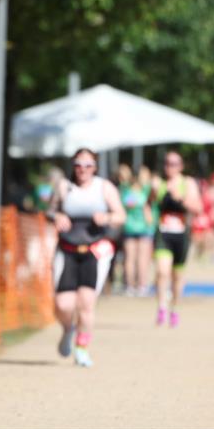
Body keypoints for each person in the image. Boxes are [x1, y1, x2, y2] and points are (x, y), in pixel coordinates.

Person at [45, 148, 126, 367]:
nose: (83, 169)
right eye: (79, 165)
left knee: (86, 303)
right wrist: (58, 216)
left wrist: (107, 217)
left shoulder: (104, 187)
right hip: (67, 249)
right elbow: (50, 211)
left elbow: (121, 215)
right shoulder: (64, 186)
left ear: (95, 167)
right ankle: (67, 329)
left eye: (88, 165)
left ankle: (82, 348)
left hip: (94, 250)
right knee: (63, 304)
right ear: (73, 166)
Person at [152, 151, 203, 327]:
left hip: (181, 234)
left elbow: (198, 207)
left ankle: (174, 308)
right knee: (162, 272)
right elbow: (149, 202)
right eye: (167, 163)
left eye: (174, 163)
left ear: (180, 166)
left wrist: (180, 198)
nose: (170, 167)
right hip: (163, 232)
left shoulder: (187, 183)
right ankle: (161, 307)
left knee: (177, 275)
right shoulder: (158, 183)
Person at [118, 164, 154, 296]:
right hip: (144, 228)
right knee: (142, 258)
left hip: (129, 228)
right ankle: (142, 285)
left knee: (129, 258)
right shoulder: (145, 191)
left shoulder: (125, 191)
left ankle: (129, 286)